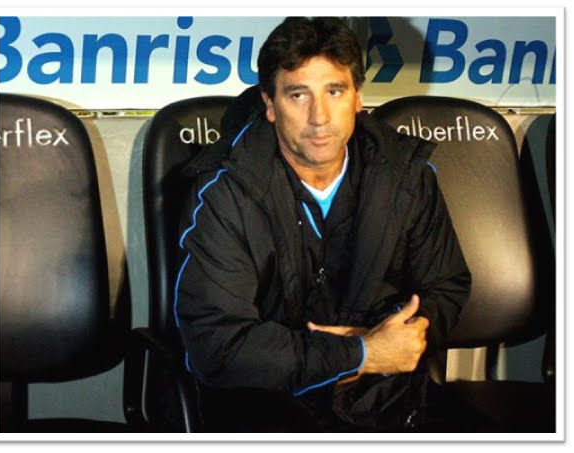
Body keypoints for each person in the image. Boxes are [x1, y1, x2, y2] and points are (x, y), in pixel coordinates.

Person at [174, 17, 472, 432]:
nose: (319, 116)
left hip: (384, 396)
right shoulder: (224, 192)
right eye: (298, 95)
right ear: (270, 105)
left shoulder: (407, 175)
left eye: (334, 91)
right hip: (266, 403)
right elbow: (217, 344)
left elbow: (445, 286)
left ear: (357, 98)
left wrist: (398, 337)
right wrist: (358, 353)